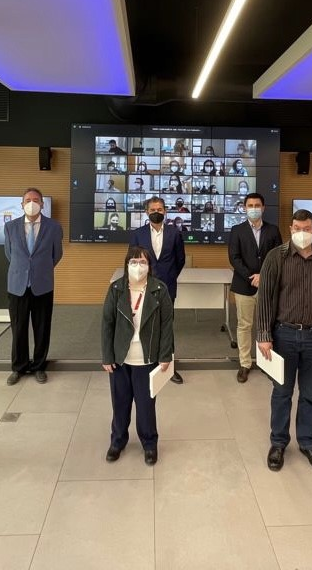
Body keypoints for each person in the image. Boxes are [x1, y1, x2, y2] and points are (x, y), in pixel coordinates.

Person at [255, 209, 312, 474]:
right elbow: (264, 297)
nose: (301, 233)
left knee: (310, 395)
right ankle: (278, 443)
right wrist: (263, 335)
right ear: (290, 229)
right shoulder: (276, 257)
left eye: (306, 229)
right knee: (282, 393)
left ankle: (308, 443)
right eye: (297, 228)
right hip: (283, 336)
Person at [101, 247, 174, 465]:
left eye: (143, 262)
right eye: (133, 262)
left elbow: (167, 325)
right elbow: (107, 324)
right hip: (120, 359)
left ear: (149, 266)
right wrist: (107, 356)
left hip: (147, 359)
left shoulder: (159, 290)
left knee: (145, 407)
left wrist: (165, 355)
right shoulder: (116, 289)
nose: (138, 266)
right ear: (127, 265)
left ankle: (149, 444)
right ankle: (118, 441)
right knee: (120, 404)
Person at [4, 188, 64, 386]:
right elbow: (9, 253)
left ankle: (39, 366)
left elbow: (57, 255)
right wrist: (24, 269)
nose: (32, 203)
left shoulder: (54, 227)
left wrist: (40, 269)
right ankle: (18, 367)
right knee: (18, 328)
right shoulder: (10, 226)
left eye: (36, 200)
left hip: (42, 284)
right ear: (22, 204)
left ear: (42, 204)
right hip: (17, 285)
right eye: (28, 200)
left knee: (42, 328)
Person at [130, 196, 186, 384]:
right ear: (147, 212)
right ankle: (147, 363)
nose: (156, 213)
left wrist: (169, 276)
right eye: (153, 210)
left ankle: (169, 367)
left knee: (167, 326)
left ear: (165, 211)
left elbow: (180, 260)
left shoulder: (174, 233)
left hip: (167, 286)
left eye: (160, 210)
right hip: (144, 286)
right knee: (144, 324)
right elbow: (133, 260)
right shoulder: (138, 234)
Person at [227, 193, 282, 383]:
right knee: (244, 325)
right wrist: (251, 277)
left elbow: (278, 257)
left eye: (257, 205)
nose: (253, 208)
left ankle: (267, 362)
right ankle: (245, 364)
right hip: (244, 285)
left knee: (268, 325)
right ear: (244, 208)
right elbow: (234, 258)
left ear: (263, 208)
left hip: (269, 285)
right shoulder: (237, 230)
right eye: (250, 205)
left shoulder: (273, 230)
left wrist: (263, 276)